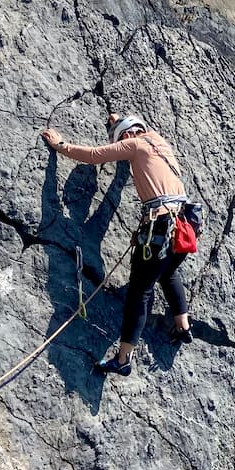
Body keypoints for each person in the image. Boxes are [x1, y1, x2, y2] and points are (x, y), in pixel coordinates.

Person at [40, 112, 192, 376]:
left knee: (140, 292)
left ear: (128, 135)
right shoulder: (158, 140)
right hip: (186, 222)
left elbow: (94, 155)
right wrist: (119, 121)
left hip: (162, 224)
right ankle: (183, 327)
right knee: (168, 271)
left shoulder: (133, 143)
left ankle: (123, 360)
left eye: (120, 139)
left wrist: (60, 146)